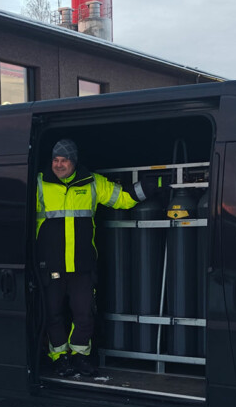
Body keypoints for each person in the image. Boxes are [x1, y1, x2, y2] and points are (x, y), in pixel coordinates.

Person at [35, 138, 164, 377]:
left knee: (84, 313)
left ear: (74, 162)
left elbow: (122, 198)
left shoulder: (92, 182)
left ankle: (80, 357)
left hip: (82, 265)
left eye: (64, 160)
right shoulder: (40, 184)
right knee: (52, 313)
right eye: (55, 159)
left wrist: (150, 186)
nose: (59, 164)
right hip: (50, 265)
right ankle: (59, 358)